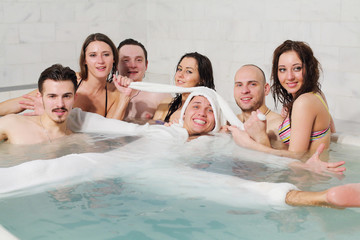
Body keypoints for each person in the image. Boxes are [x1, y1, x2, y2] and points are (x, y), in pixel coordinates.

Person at [1, 86, 356, 210]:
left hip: (172, 176)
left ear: (216, 120)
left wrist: (302, 165)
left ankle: (322, 197)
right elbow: (93, 122)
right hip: (119, 164)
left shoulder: (223, 141)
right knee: (69, 165)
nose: (201, 112)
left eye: (208, 109)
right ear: (183, 113)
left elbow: (262, 155)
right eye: (195, 106)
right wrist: (34, 104)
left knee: (234, 188)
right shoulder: (159, 130)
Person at [229, 40, 335, 159]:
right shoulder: (317, 94)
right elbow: (332, 130)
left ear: (309, 68)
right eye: (282, 70)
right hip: (313, 172)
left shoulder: (304, 102)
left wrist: (249, 143)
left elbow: (295, 157)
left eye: (297, 68)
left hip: (305, 175)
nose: (289, 77)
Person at [0, 33, 128, 120]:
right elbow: (21, 103)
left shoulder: (115, 94)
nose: (100, 61)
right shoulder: (70, 81)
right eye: (93, 55)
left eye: (106, 54)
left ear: (114, 59)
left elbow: (111, 133)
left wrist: (125, 97)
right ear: (84, 60)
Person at [0, 64, 77, 144]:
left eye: (66, 96)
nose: (60, 104)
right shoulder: (13, 124)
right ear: (40, 97)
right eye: (52, 96)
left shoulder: (74, 140)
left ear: (75, 98)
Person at [115, 38, 171, 123]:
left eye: (138, 60)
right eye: (126, 60)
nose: (133, 65)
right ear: (116, 64)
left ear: (146, 65)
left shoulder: (159, 95)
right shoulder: (106, 93)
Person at [152, 52, 215, 122]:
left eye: (188, 71)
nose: (180, 75)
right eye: (179, 69)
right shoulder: (165, 104)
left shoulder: (207, 111)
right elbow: (151, 130)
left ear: (202, 79)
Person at [233, 64, 285, 148]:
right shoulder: (231, 122)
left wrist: (261, 138)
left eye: (252, 84)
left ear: (266, 89)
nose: (244, 90)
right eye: (239, 85)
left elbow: (283, 160)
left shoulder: (278, 127)